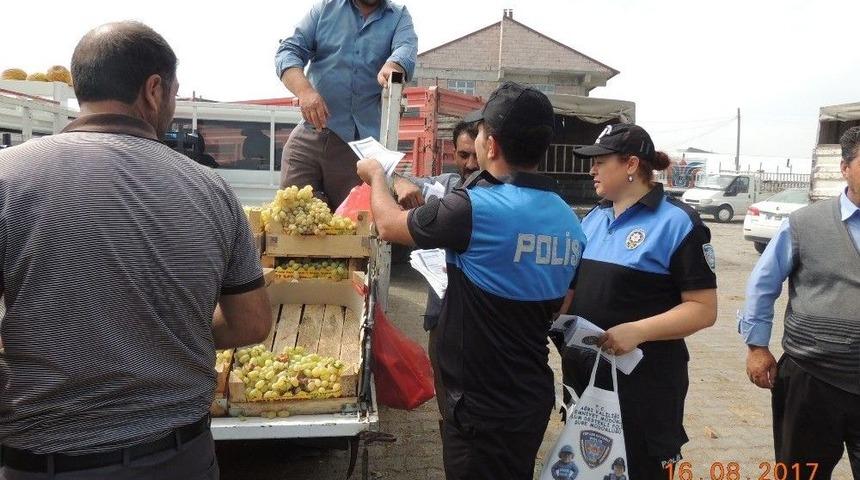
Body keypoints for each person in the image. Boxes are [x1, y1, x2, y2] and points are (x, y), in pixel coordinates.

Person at [0, 22, 272, 480]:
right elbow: (252, 322)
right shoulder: (211, 191)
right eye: (173, 93)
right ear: (153, 90)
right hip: (176, 457)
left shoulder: (8, 179)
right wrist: (164, 333)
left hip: (42, 459)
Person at [356, 82, 587, 480]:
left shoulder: (473, 208)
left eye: (479, 133)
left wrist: (377, 175)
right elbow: (562, 302)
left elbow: (389, 225)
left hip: (479, 405)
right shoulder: (569, 220)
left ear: (491, 145)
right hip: (528, 396)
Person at [561, 124, 718, 480]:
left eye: (600, 162)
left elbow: (704, 309)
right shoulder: (595, 218)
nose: (592, 170)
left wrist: (638, 331)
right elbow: (574, 289)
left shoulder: (678, 223)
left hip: (646, 390)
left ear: (631, 164)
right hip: (588, 382)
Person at [738, 126, 860, 478]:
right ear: (844, 168)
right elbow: (764, 283)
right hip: (812, 378)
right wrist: (757, 346)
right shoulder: (805, 223)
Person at [275, 0, 418, 210]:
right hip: (311, 134)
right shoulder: (325, 8)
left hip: (361, 149)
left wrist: (393, 65)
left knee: (355, 229)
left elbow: (406, 49)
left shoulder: (398, 16)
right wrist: (305, 92)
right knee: (292, 220)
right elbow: (287, 51)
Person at [390, 119, 478, 427]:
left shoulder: (502, 198)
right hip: (442, 317)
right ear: (453, 152)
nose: (471, 164)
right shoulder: (447, 187)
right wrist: (400, 182)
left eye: (477, 155)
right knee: (448, 403)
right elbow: (390, 175)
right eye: (464, 155)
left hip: (483, 325)